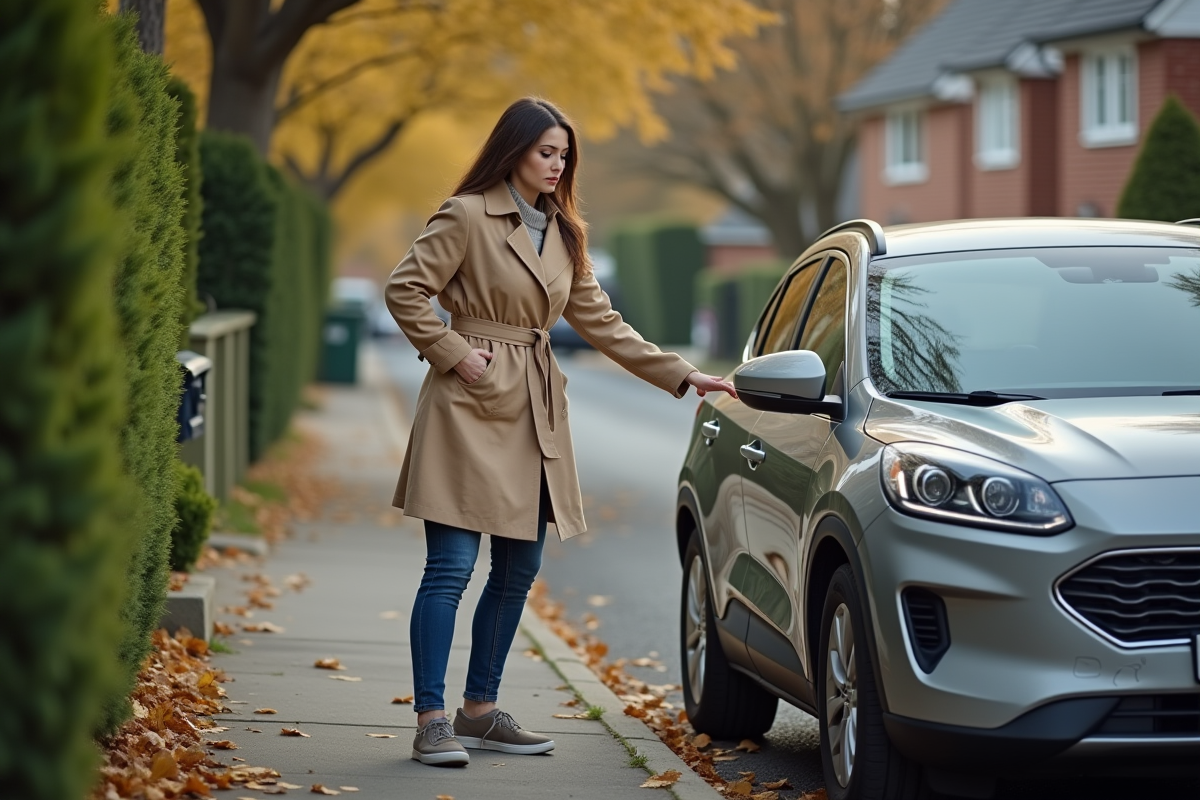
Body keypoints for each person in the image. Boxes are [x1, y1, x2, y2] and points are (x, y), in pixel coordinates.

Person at [385, 97, 737, 767]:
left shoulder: (564, 234)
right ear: (513, 149)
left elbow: (604, 323)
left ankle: (480, 711)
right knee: (451, 568)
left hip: (535, 413)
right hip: (467, 402)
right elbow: (405, 290)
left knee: (520, 567)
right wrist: (454, 353)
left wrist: (686, 375)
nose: (557, 164)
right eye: (546, 151)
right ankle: (432, 719)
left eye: (564, 154)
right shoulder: (464, 215)